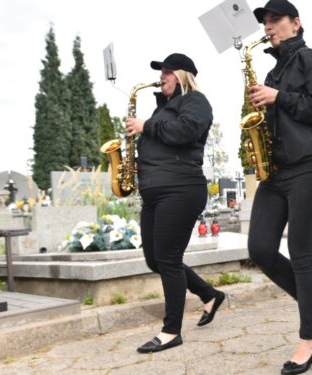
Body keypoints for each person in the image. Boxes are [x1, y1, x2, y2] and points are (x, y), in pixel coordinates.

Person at [245, 1, 312, 373]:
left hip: (310, 167)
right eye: (265, 22)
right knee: (260, 249)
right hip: (277, 171)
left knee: (301, 254)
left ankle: (308, 340)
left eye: (275, 20)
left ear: (296, 23)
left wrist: (278, 97)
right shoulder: (271, 70)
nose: (269, 26)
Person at [125, 53, 225, 353]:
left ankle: (171, 332)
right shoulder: (162, 110)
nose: (162, 77)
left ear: (183, 75)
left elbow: (187, 132)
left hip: (181, 189)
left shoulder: (196, 100)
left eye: (167, 72)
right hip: (156, 191)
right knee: (155, 259)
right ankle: (209, 295)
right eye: (161, 73)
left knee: (168, 258)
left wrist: (146, 127)